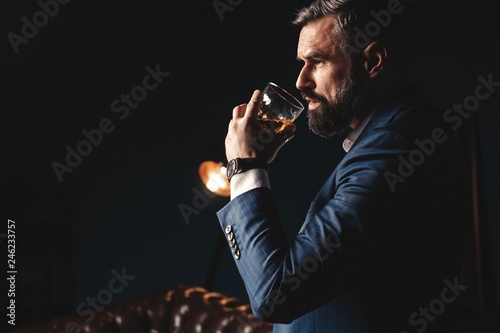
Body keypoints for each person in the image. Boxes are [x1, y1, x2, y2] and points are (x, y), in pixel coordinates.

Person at [217, 0, 468, 332]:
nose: (301, 81)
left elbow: (276, 294)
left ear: (372, 61)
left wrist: (246, 166)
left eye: (317, 61)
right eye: (302, 63)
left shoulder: (398, 147)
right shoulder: (386, 138)